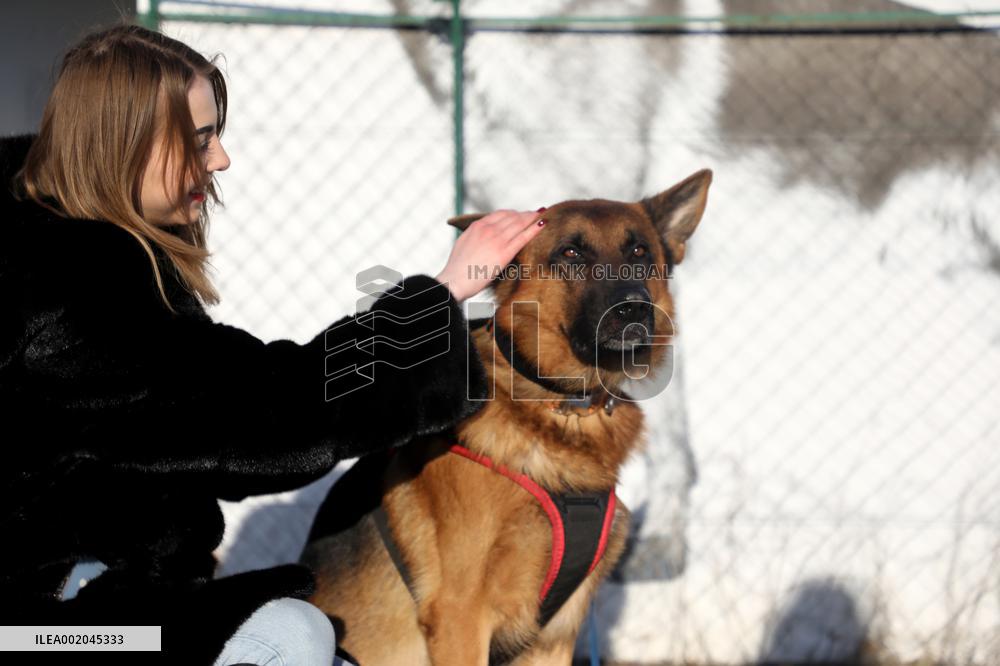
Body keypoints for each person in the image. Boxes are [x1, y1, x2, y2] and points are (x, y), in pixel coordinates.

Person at [0, 21, 547, 665]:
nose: (220, 160)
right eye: (198, 140)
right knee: (290, 636)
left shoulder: (60, 250)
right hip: (43, 627)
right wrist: (446, 289)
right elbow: (267, 416)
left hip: (95, 604)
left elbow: (221, 420)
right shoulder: (73, 289)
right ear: (127, 142)